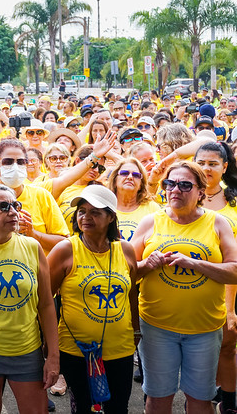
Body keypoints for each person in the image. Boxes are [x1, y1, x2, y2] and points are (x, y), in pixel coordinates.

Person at [132, 162, 237, 414]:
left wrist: (196, 264)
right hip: (157, 328)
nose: (175, 190)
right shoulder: (150, 222)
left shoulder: (217, 223)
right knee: (157, 399)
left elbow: (235, 270)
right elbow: (127, 271)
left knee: (200, 400)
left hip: (205, 329)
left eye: (185, 185)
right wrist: (147, 264)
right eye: (170, 184)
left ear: (201, 191)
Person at [48, 185, 139, 414]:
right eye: (81, 211)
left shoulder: (126, 250)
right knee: (84, 408)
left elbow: (131, 295)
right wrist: (49, 348)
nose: (85, 217)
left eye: (95, 212)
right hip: (77, 350)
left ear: (111, 217)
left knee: (118, 408)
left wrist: (136, 331)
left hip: (120, 349)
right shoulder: (65, 249)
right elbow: (45, 301)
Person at [0, 185, 59, 414]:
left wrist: (53, 356)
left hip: (27, 351)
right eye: (3, 206)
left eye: (16, 205)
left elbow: (46, 304)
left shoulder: (32, 247)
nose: (13, 211)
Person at [193, 142, 237, 413]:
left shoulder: (234, 203)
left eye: (213, 164)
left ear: (225, 167)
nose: (207, 169)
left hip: (231, 286)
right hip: (192, 288)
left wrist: (231, 308)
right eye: (202, 163)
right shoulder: (179, 194)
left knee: (228, 348)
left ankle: (229, 403)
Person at [107, 158, 160, 241]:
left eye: (136, 175)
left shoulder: (152, 208)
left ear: (141, 184)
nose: (130, 177)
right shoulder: (104, 207)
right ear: (114, 179)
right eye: (124, 173)